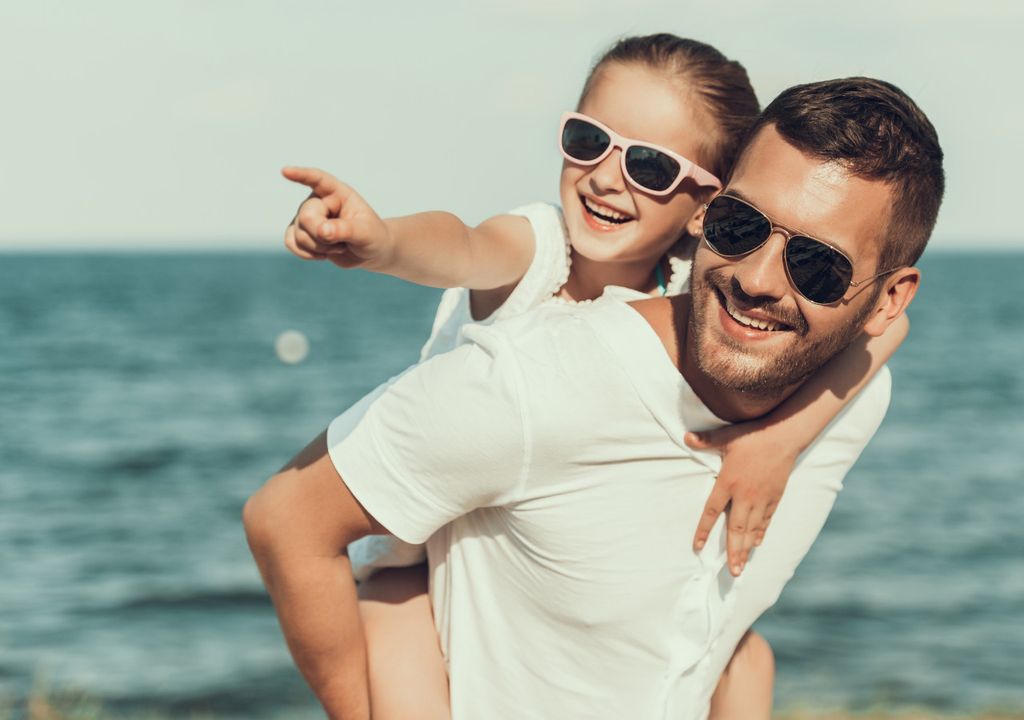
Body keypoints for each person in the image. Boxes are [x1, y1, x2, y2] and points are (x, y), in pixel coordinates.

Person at [244, 75, 944, 720]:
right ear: (708, 213)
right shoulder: (535, 376)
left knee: (746, 655)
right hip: (405, 579)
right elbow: (287, 519)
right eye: (742, 226)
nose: (759, 278)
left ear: (885, 299)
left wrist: (781, 440)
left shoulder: (852, 397)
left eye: (818, 267)